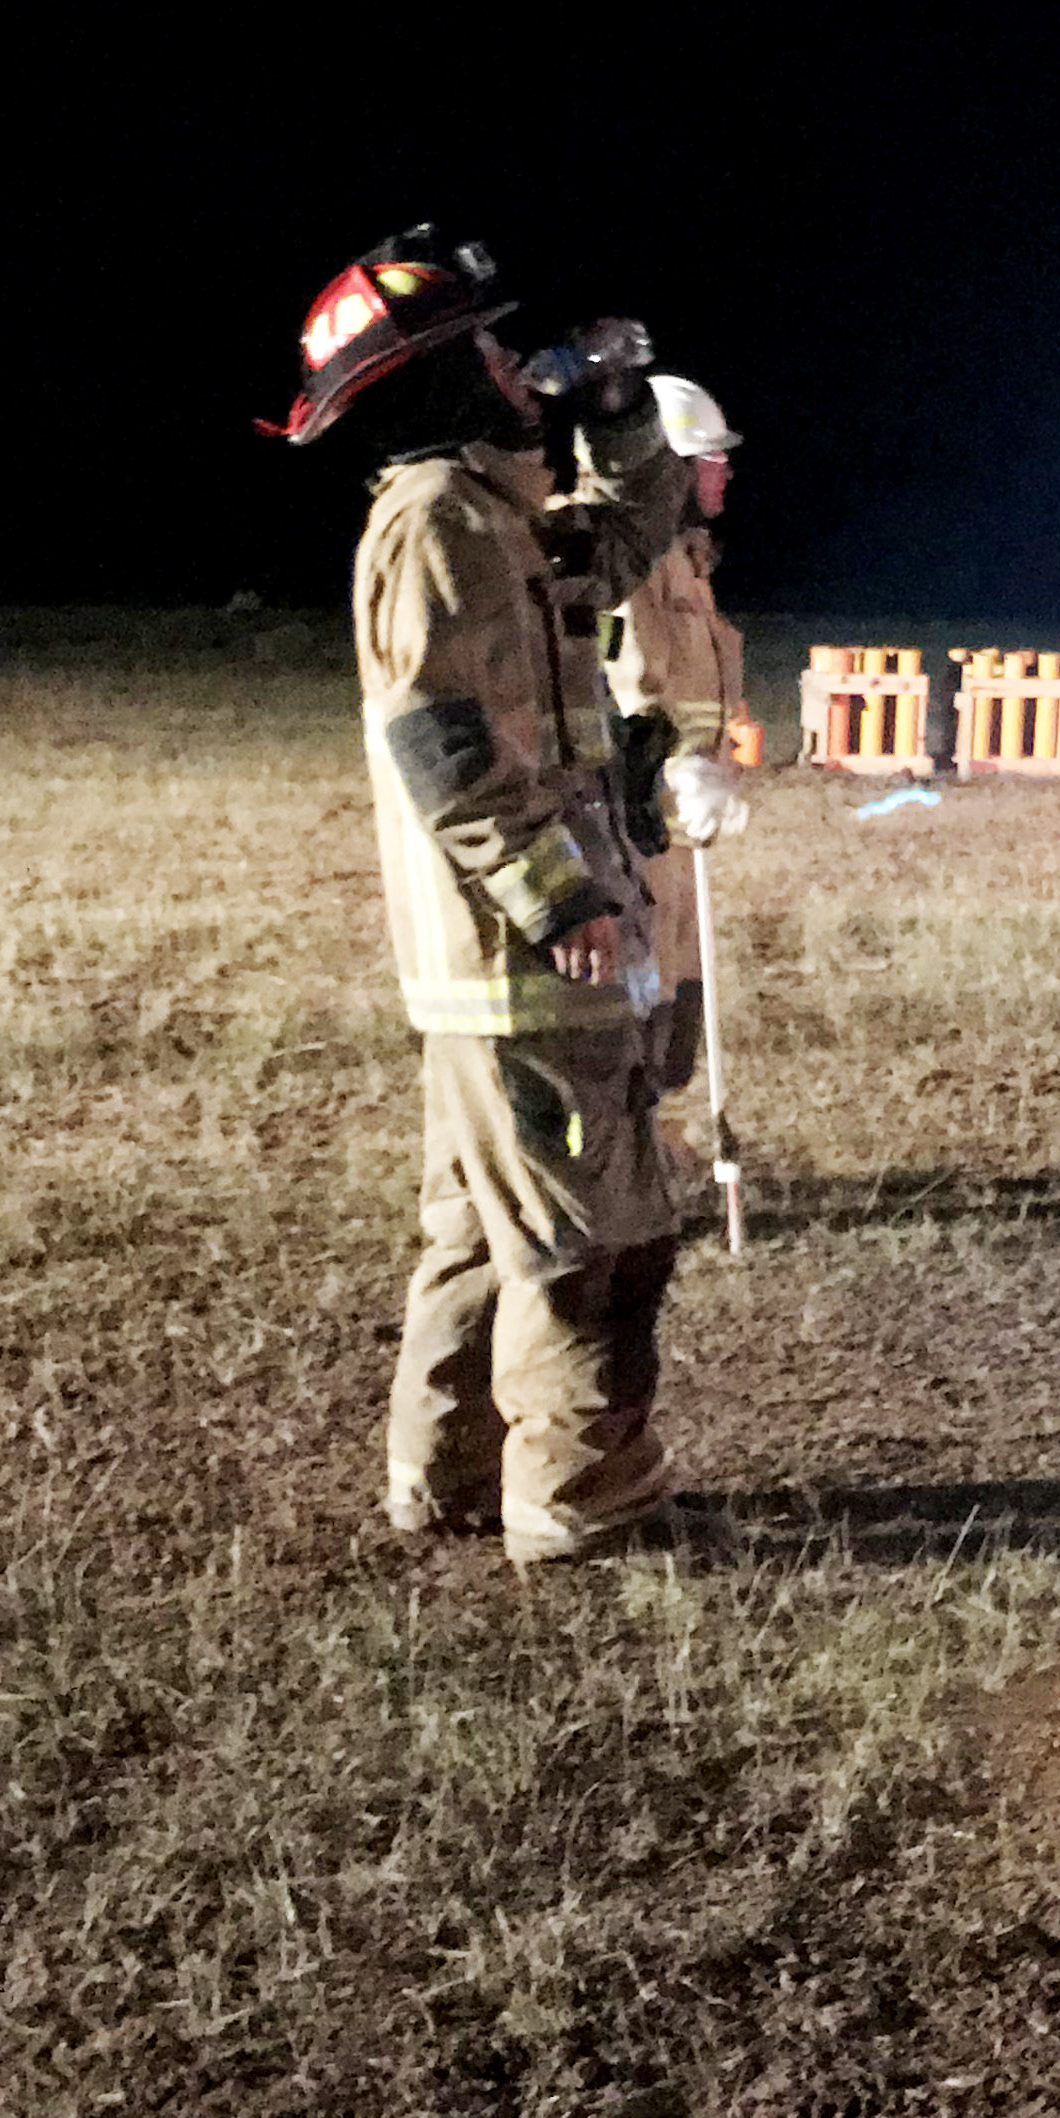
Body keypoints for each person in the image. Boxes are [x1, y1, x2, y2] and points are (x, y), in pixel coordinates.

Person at [264, 225, 706, 1560]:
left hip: (505, 966)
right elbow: (443, 741)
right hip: (523, 962)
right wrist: (565, 903)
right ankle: (584, 1505)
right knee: (593, 1241)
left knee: (482, 1228)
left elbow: (629, 536)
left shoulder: (496, 520)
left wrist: (619, 409)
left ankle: (442, 1478)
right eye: (493, 350)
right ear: (439, 380)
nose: (522, 364)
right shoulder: (442, 525)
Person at [601, 375, 753, 1157]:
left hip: (677, 827)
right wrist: (672, 769)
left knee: (674, 993)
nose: (724, 471)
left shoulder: (688, 563)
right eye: (707, 458)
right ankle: (628, 1153)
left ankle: (652, 1145)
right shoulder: (634, 562)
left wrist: (715, 766)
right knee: (636, 990)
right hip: (635, 822)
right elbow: (628, 689)